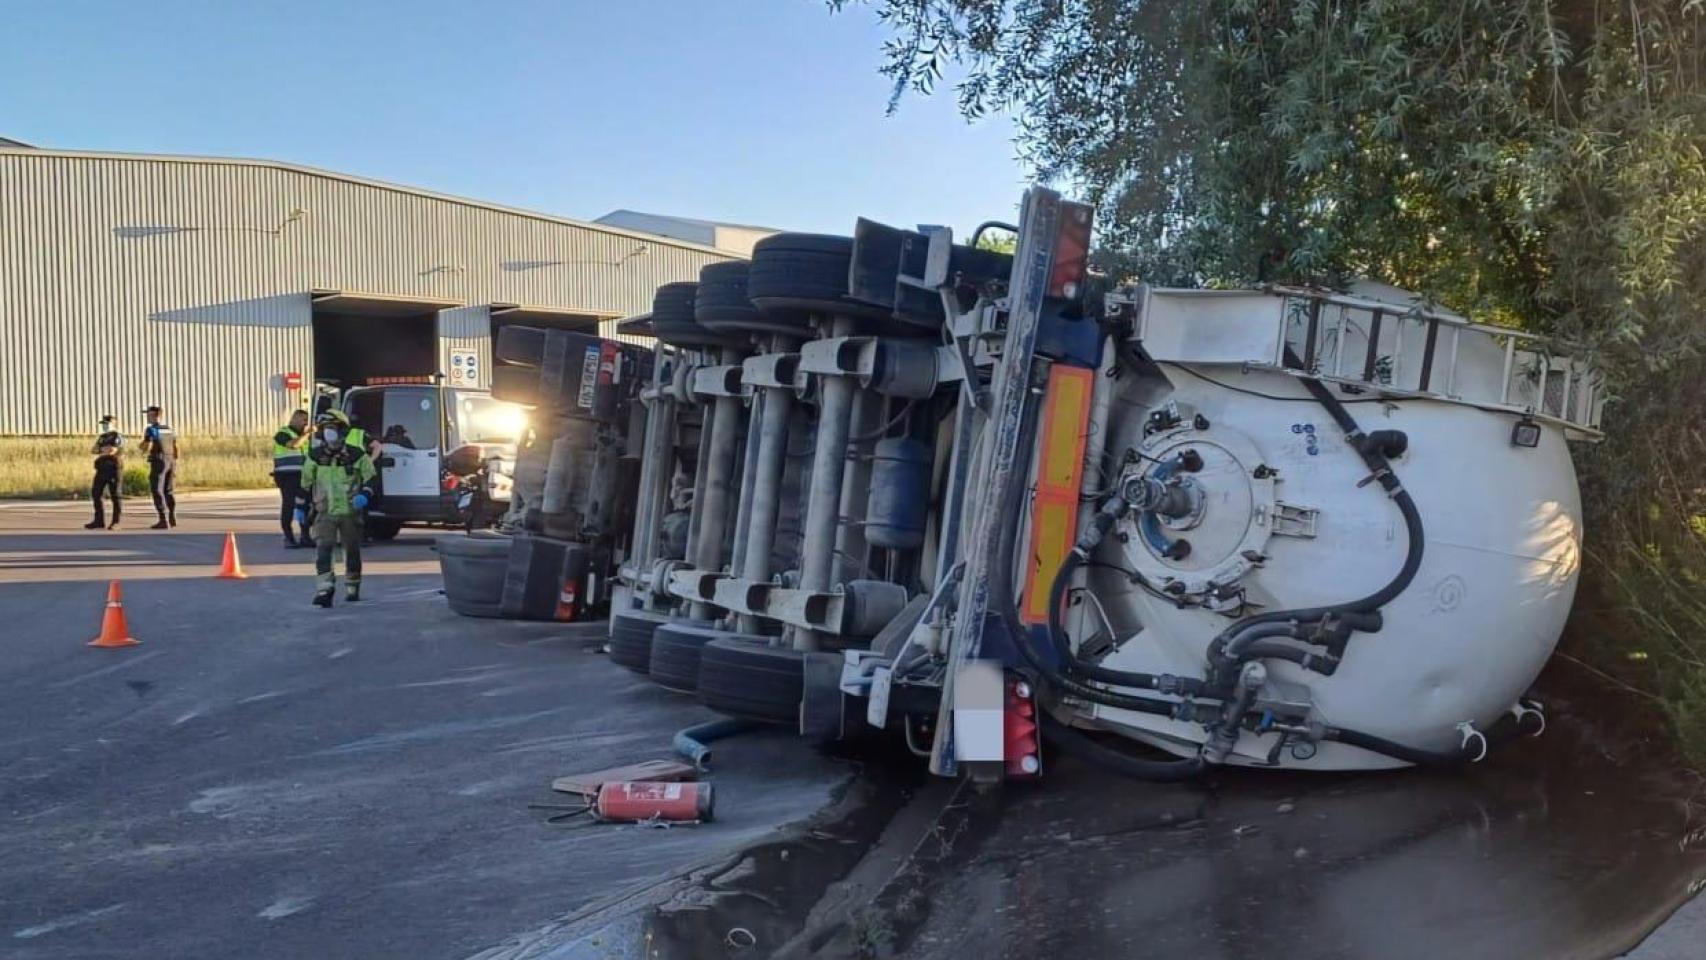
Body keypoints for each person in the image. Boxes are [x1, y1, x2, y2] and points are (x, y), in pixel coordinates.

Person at [294, 409, 376, 607]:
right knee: (323, 549)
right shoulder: (315, 456)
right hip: (325, 512)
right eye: (326, 428)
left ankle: (352, 587)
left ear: (342, 431)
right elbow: (304, 484)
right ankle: (325, 589)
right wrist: (300, 508)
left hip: (350, 512)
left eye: (332, 428)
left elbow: (371, 478)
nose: (329, 432)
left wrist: (365, 494)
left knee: (352, 551)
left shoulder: (356, 455)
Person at [271, 409, 314, 548]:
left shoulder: (304, 436)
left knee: (304, 506)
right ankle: (288, 537)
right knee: (288, 505)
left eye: (307, 421)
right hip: (287, 475)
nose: (305, 424)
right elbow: (294, 445)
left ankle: (305, 536)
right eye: (303, 420)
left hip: (302, 476)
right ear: (295, 419)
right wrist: (307, 433)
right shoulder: (283, 433)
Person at [139, 405, 178, 529]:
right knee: (169, 490)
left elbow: (147, 445)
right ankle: (172, 517)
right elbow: (176, 446)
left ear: (156, 416)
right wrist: (174, 460)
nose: (148, 417)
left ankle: (163, 519)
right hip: (170, 460)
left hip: (159, 460)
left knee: (157, 489)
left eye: (149, 415)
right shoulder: (169, 429)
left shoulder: (151, 429)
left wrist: (141, 448)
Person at [84, 415, 124, 530]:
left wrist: (102, 450)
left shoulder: (116, 436)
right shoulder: (102, 437)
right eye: (104, 424)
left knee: (115, 495)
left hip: (113, 467)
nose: (105, 426)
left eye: (107, 424)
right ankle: (99, 520)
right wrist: (103, 450)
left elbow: (112, 450)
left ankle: (116, 522)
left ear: (113, 424)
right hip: (101, 467)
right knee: (96, 493)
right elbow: (93, 450)